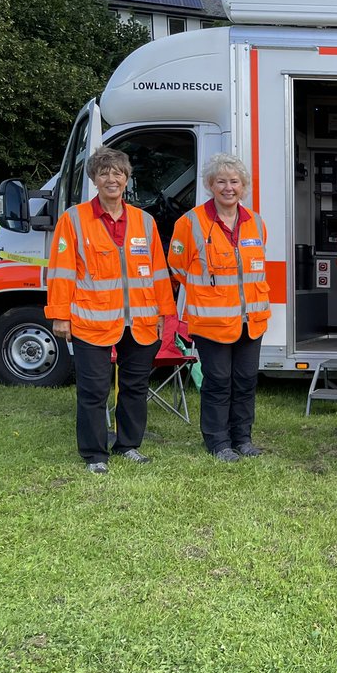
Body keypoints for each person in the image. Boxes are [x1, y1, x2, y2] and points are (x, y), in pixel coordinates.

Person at [45, 147, 176, 474]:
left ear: (127, 179)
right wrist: (60, 315)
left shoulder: (145, 221)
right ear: (94, 179)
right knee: (94, 391)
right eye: (104, 173)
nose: (111, 179)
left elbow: (159, 272)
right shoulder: (74, 220)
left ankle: (128, 445)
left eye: (118, 172)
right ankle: (95, 454)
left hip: (141, 321)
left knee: (135, 388)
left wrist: (164, 314)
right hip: (91, 321)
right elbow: (61, 271)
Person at [167, 153, 270, 461]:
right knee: (218, 382)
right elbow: (177, 267)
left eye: (234, 182)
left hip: (251, 320)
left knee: (246, 381)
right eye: (221, 181)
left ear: (243, 187)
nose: (228, 188)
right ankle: (218, 442)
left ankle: (243, 439)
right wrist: (209, 294)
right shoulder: (190, 223)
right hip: (211, 323)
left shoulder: (256, 222)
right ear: (210, 185)